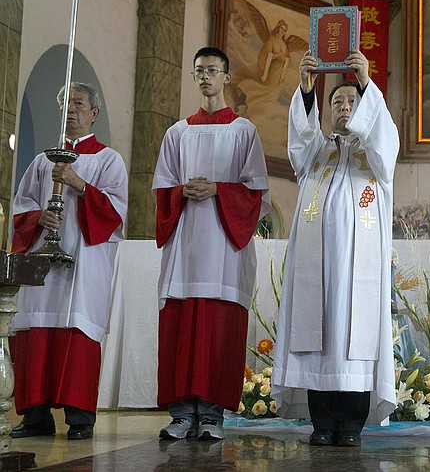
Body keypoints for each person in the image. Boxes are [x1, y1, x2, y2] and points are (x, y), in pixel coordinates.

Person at [271, 49, 399, 448]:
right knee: (318, 341)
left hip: (358, 271)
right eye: (337, 102)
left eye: (351, 102)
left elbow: (383, 135)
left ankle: (351, 426)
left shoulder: (375, 156)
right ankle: (322, 423)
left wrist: (364, 82)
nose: (344, 108)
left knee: (354, 340)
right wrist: (308, 89)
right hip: (317, 269)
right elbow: (300, 142)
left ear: (363, 109)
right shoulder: (318, 153)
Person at [153, 47, 270, 440]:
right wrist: (180, 191)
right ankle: (182, 412)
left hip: (224, 248)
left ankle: (213, 414)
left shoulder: (244, 131)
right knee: (182, 325)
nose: (205, 76)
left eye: (212, 70)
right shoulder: (177, 132)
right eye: (199, 71)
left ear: (227, 76)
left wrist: (219, 190)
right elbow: (161, 188)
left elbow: (257, 193)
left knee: (218, 328)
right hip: (185, 245)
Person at [10, 82, 128, 440]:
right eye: (65, 104)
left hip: (85, 262)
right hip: (41, 263)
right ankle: (35, 416)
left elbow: (115, 214)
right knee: (36, 331)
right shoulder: (40, 161)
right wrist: (38, 218)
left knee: (77, 333)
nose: (71, 110)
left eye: (78, 103)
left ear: (94, 113)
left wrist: (78, 183)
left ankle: (80, 418)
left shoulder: (109, 160)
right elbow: (21, 207)